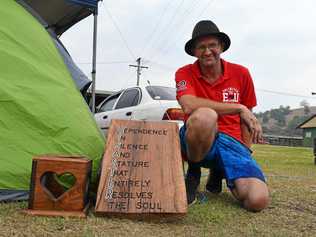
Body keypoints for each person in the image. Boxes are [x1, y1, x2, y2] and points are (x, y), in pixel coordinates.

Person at [175, 20, 269, 211]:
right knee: (206, 116)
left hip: (232, 142)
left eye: (212, 45)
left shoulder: (242, 73)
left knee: (257, 200)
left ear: (222, 47)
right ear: (194, 51)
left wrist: (246, 151)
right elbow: (188, 104)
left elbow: (247, 119)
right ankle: (193, 173)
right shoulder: (184, 72)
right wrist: (238, 107)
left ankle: (219, 171)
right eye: (201, 47)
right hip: (200, 142)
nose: (207, 51)